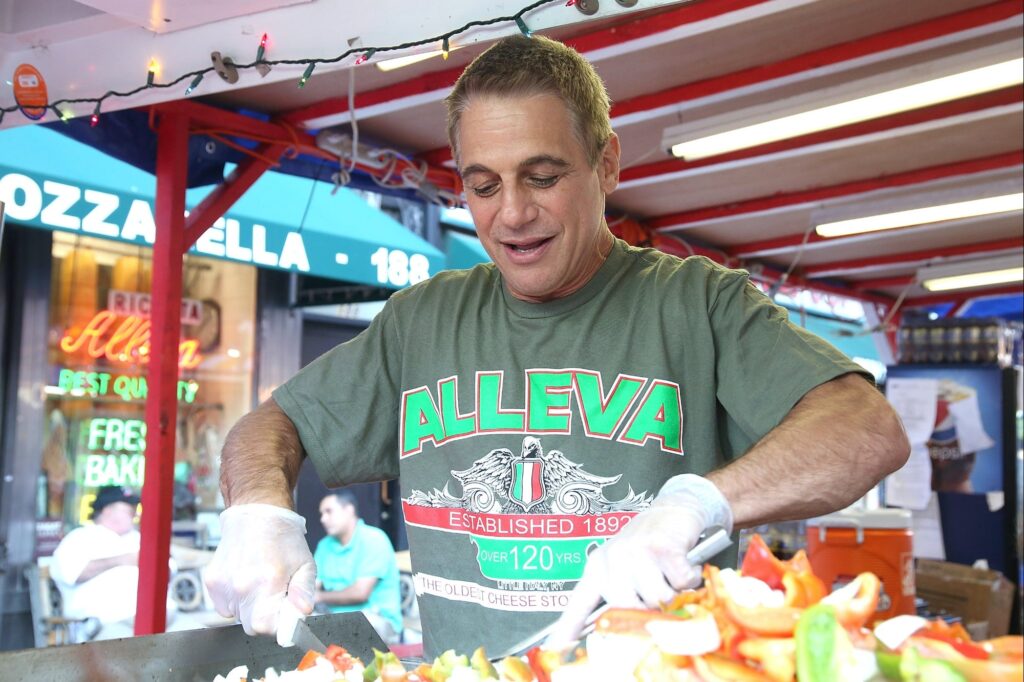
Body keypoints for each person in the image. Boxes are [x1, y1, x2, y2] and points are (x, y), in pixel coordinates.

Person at [205, 35, 909, 658]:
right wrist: (259, 513)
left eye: (542, 177)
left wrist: (696, 503)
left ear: (606, 164)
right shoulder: (422, 322)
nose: (512, 212)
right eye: (483, 185)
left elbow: (865, 430)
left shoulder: (698, 303)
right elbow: (274, 425)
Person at [50, 486, 178, 640]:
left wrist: (153, 565)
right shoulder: (79, 538)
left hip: (162, 617)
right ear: (107, 511)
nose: (135, 513)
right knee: (138, 650)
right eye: (128, 509)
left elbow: (170, 570)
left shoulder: (138, 538)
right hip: (108, 623)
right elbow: (71, 573)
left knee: (198, 640)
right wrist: (122, 560)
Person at [313, 490, 403, 644]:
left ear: (349, 510)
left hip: (377, 620)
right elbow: (312, 586)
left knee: (353, 628)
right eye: (321, 514)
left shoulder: (374, 539)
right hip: (333, 619)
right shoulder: (324, 545)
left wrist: (318, 597)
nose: (323, 519)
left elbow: (360, 593)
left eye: (329, 512)